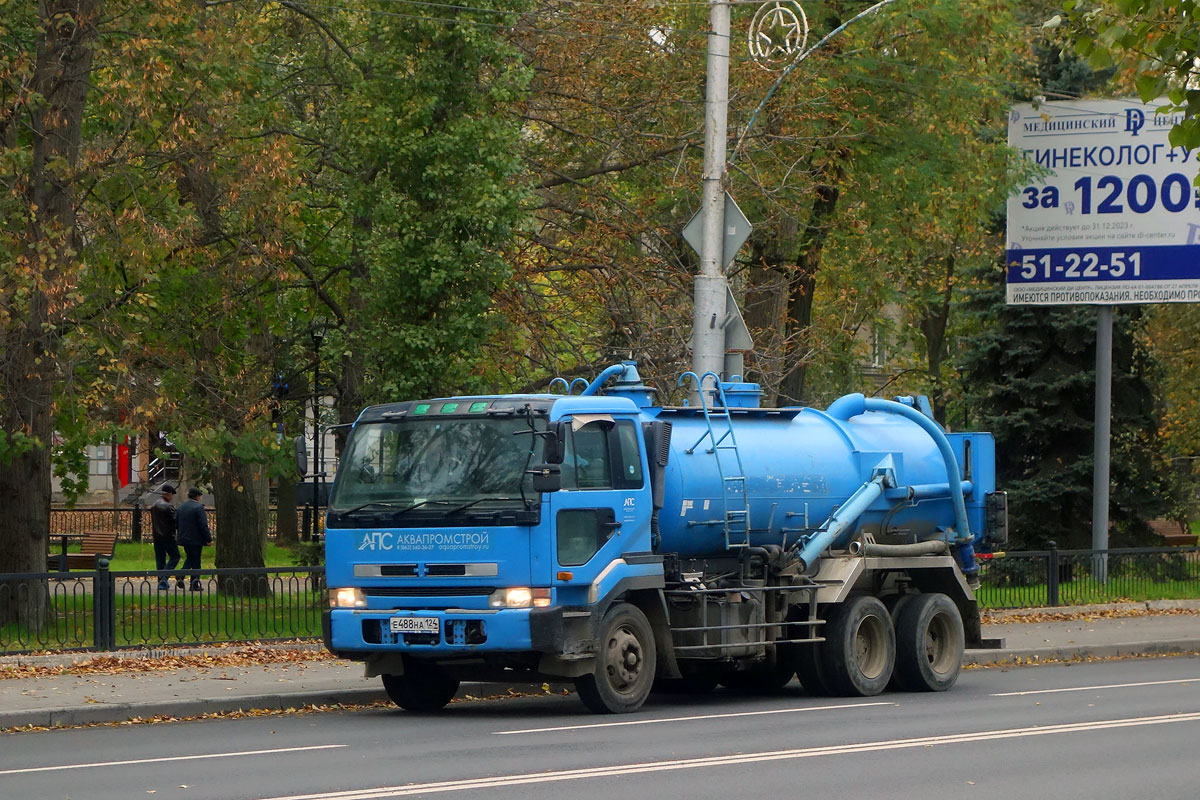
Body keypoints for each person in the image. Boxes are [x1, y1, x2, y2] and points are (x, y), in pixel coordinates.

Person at [176, 487, 213, 591]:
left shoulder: (181, 507)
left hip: (184, 538)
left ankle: (181, 575)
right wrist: (208, 538)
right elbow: (203, 525)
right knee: (196, 562)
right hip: (196, 539)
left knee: (190, 558)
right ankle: (194, 584)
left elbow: (176, 522)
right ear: (197, 496)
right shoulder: (198, 508)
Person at [149, 484, 181, 590]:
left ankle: (161, 582)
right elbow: (175, 520)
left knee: (160, 559)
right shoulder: (168, 506)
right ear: (168, 494)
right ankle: (164, 578)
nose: (172, 498)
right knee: (175, 556)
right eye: (171, 495)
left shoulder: (154, 505)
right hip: (168, 536)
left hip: (157, 536)